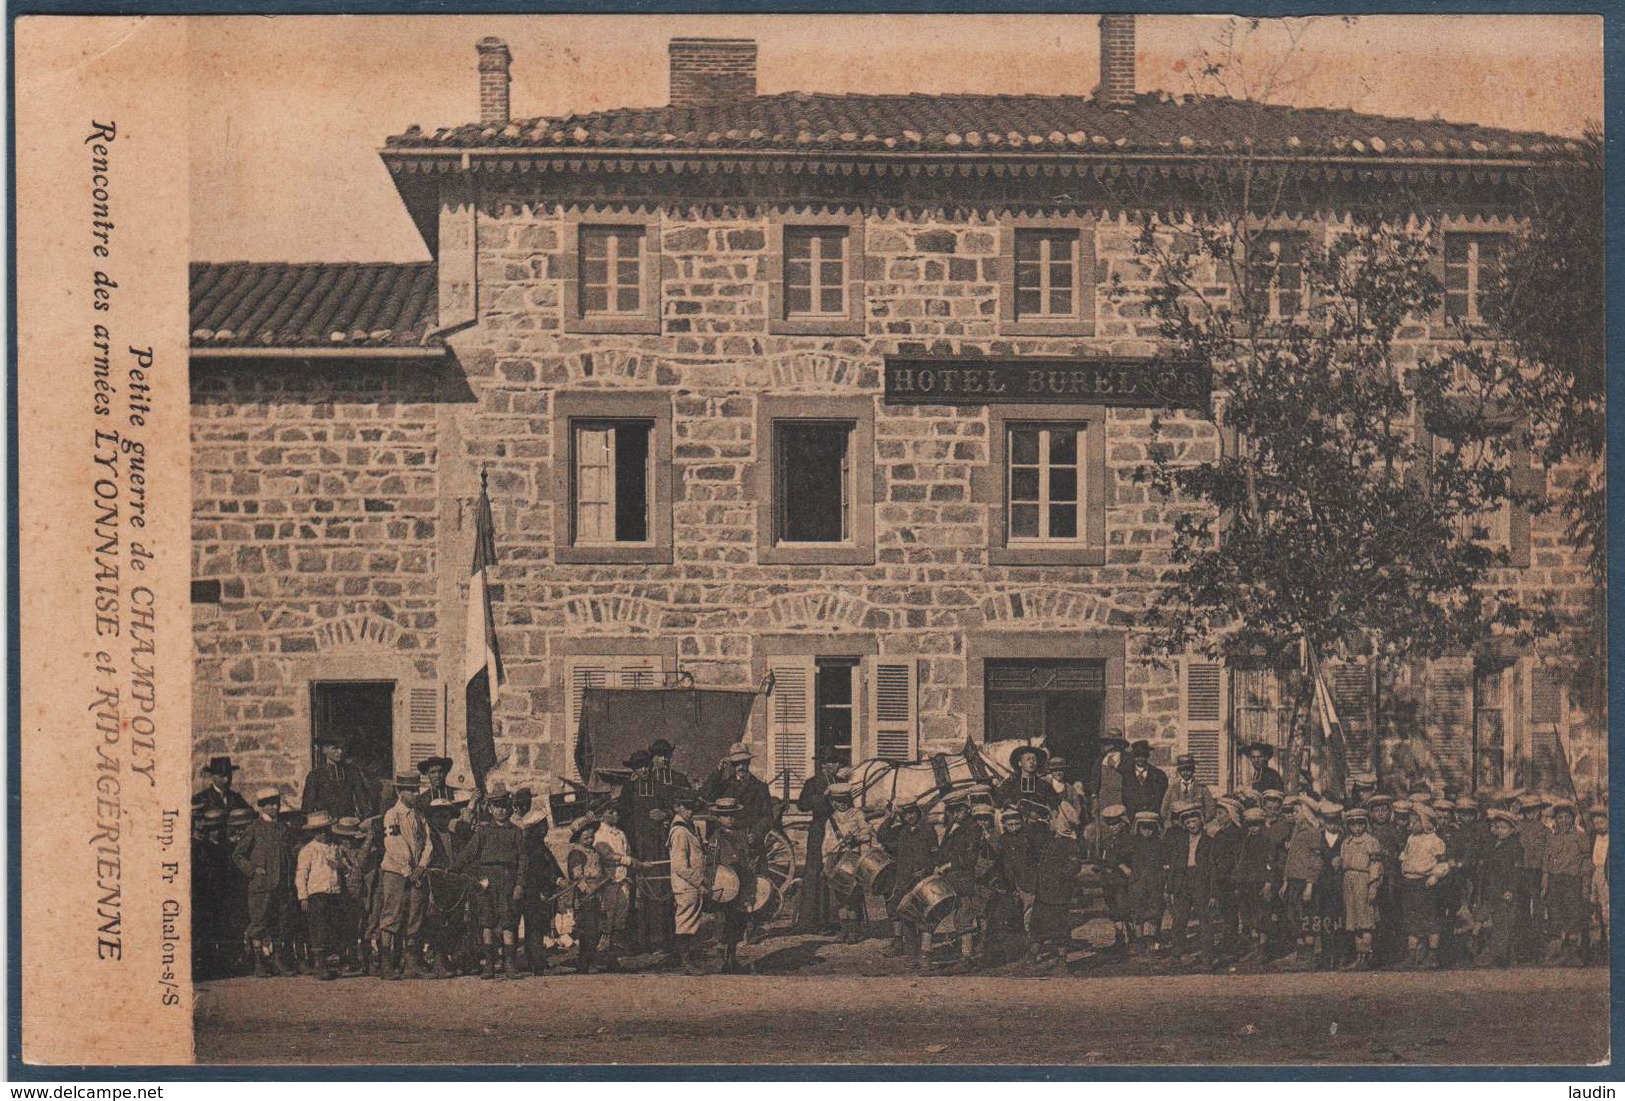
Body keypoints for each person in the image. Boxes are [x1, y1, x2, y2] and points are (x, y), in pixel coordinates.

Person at [453, 787, 527, 979]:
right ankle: (490, 965)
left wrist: (519, 884)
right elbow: (469, 853)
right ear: (490, 809)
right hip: (487, 879)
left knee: (508, 922)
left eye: (504, 806)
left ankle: (509, 963)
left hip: (508, 880)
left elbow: (522, 862)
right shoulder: (483, 832)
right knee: (487, 921)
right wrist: (453, 869)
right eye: (496, 806)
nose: (500, 810)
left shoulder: (517, 833)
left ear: (509, 808)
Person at [234, 787, 297, 977]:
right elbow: (238, 855)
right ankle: (259, 962)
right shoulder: (254, 828)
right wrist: (253, 870)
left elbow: (290, 854)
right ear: (261, 807)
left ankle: (277, 960)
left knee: (280, 923)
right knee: (259, 924)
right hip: (261, 886)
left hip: (282, 885)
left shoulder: (283, 828)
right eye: (268, 804)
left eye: (276, 803)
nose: (273, 808)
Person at [376, 775, 433, 980]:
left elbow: (428, 843)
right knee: (392, 915)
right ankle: (385, 963)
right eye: (412, 790)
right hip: (396, 872)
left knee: (415, 915)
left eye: (417, 790)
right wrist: (408, 870)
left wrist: (421, 866)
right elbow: (393, 845)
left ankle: (411, 962)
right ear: (401, 792)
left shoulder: (420, 816)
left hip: (416, 872)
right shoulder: (393, 815)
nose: (416, 794)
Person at [618, 749, 673, 955]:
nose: (643, 770)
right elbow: (621, 815)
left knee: (658, 891)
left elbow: (674, 808)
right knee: (634, 894)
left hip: (657, 847)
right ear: (634, 769)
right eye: (639, 767)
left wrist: (665, 813)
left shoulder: (660, 787)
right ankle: (638, 942)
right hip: (635, 847)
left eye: (646, 766)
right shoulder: (629, 789)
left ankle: (659, 942)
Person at [933, 792, 992, 972]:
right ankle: (966, 956)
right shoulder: (954, 827)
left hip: (965, 880)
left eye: (959, 810)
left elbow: (970, 858)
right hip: (955, 879)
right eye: (953, 811)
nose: (956, 814)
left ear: (967, 809)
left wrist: (948, 865)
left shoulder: (972, 829)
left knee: (964, 917)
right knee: (960, 917)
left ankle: (967, 959)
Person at [878, 800, 938, 966]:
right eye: (906, 814)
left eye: (912, 813)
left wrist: (926, 870)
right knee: (901, 910)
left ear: (918, 813)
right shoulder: (901, 831)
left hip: (920, 879)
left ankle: (922, 952)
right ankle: (907, 949)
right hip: (903, 878)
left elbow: (934, 854)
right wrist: (891, 818)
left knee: (919, 914)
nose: (910, 816)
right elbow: (881, 837)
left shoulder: (927, 830)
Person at [513, 788, 563, 975]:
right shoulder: (528, 843)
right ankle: (528, 961)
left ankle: (534, 960)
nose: (544, 830)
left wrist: (556, 879)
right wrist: (555, 879)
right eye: (541, 826)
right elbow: (541, 868)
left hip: (533, 889)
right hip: (524, 887)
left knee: (535, 925)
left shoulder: (539, 846)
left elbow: (548, 865)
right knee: (524, 925)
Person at [797, 748, 846, 933]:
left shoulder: (841, 782)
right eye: (831, 762)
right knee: (815, 872)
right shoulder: (813, 783)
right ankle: (812, 921)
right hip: (819, 830)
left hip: (838, 830)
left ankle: (836, 920)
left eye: (836, 762)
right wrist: (823, 795)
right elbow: (802, 805)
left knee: (836, 871)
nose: (835, 765)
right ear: (823, 765)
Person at [293, 812, 346, 980]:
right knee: (318, 928)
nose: (323, 834)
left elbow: (340, 867)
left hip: (333, 892)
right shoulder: (308, 850)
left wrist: (338, 865)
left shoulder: (334, 847)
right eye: (319, 831)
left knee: (332, 926)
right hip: (317, 894)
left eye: (326, 830)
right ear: (313, 833)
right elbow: (301, 874)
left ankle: (329, 963)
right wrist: (303, 896)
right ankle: (319, 964)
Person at [1029, 802, 1082, 964]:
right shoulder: (1050, 838)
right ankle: (1032, 956)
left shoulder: (1068, 843)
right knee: (1037, 924)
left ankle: (1062, 960)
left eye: (1052, 818)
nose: (1049, 821)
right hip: (1044, 891)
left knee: (1059, 927)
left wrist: (1057, 876)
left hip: (1058, 893)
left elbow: (1074, 866)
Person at [1399, 803, 1450, 968]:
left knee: (1429, 918)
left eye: (1416, 821)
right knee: (1411, 919)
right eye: (1410, 821)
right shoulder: (1411, 839)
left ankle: (1433, 955)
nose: (1411, 825)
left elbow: (1443, 864)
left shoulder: (1435, 841)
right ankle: (1412, 955)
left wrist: (1435, 875)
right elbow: (1404, 857)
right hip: (1410, 882)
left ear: (1427, 823)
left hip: (1425, 883)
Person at [710, 797, 758, 973]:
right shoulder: (716, 838)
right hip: (726, 885)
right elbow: (712, 864)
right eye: (725, 816)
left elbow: (747, 856)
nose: (730, 819)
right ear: (718, 818)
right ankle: (722, 960)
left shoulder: (742, 834)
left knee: (737, 922)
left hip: (742, 882)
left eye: (732, 815)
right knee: (724, 922)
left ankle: (732, 957)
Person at [824, 781, 875, 944]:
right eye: (837, 801)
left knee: (852, 896)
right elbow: (827, 842)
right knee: (839, 898)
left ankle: (854, 931)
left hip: (851, 858)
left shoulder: (857, 815)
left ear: (849, 800)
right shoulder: (830, 820)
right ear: (832, 802)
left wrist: (856, 840)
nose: (841, 804)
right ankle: (843, 930)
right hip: (835, 857)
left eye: (844, 800)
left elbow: (867, 835)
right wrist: (826, 862)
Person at [1280, 796, 1328, 969]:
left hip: (1305, 881)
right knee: (1294, 917)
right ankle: (1300, 952)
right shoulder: (1296, 830)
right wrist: (1286, 880)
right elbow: (1290, 858)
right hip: (1294, 880)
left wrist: (1310, 883)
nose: (1293, 815)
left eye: (1296, 811)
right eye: (1292, 811)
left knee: (1307, 917)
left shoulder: (1312, 832)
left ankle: (1309, 954)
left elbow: (1316, 860)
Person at [1476, 808, 1525, 968]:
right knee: (1497, 923)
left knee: (1504, 924)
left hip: (1505, 891)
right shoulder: (1494, 844)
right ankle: (1504, 957)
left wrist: (1511, 889)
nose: (1500, 830)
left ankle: (1501, 958)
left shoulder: (1515, 847)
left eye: (1504, 827)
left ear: (1512, 829)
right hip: (1493, 889)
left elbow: (1516, 872)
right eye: (1498, 827)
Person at [1542, 800, 1589, 965]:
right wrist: (1545, 883)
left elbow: (1586, 861)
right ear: (1555, 819)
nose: (1563, 820)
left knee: (1573, 915)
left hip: (1572, 881)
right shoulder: (1552, 838)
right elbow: (1547, 863)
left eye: (1567, 817)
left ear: (1572, 818)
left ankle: (1573, 954)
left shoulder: (1580, 836)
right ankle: (1557, 954)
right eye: (1560, 817)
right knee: (1555, 915)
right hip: (1555, 881)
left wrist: (1585, 885)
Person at [1338, 807, 1384, 970]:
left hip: (1363, 880)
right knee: (1354, 920)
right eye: (1353, 824)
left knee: (1365, 920)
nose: (1356, 828)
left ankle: (1367, 955)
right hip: (1349, 880)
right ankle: (1359, 956)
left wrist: (1373, 886)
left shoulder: (1370, 841)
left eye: (1360, 824)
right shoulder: (1346, 842)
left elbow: (1375, 864)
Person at [667, 793, 708, 974]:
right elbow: (679, 866)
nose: (691, 812)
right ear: (677, 808)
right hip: (686, 885)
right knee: (685, 923)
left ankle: (688, 961)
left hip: (691, 885)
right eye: (687, 808)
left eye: (693, 808)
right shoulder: (679, 832)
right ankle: (685, 963)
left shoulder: (688, 827)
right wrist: (699, 882)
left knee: (691, 923)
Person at [1232, 806, 1278, 962]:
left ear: (1262, 824)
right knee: (1250, 916)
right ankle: (1254, 948)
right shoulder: (1246, 840)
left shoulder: (1267, 840)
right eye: (1250, 825)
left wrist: (1268, 883)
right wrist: (1239, 883)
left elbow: (1271, 864)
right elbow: (1241, 862)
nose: (1253, 828)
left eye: (1256, 825)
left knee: (1263, 916)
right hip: (1247, 883)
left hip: (1261, 883)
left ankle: (1264, 950)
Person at [701, 742, 775, 839]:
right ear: (732, 765)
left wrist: (755, 834)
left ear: (749, 762)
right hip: (725, 838)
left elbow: (767, 817)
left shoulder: (759, 787)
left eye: (744, 762)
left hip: (748, 837)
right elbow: (707, 795)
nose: (741, 766)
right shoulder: (725, 785)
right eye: (737, 763)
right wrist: (718, 771)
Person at [564, 815, 609, 973]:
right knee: (587, 929)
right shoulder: (576, 853)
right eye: (586, 838)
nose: (589, 840)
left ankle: (590, 959)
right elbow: (577, 877)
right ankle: (584, 963)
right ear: (579, 838)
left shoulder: (595, 852)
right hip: (585, 896)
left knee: (597, 929)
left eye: (591, 837)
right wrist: (587, 891)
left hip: (598, 894)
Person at [593, 802, 639, 954]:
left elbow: (628, 851)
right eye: (610, 812)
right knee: (608, 913)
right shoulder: (599, 833)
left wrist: (629, 863)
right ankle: (601, 949)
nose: (614, 815)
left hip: (623, 877)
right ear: (601, 815)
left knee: (621, 913)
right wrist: (627, 860)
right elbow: (606, 855)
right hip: (608, 880)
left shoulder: (620, 833)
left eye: (615, 812)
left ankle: (613, 950)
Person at [301, 735, 379, 821]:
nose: (340, 751)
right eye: (334, 748)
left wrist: (365, 819)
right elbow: (307, 809)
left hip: (349, 825)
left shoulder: (352, 772)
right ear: (324, 750)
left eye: (342, 748)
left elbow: (362, 800)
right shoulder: (315, 776)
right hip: (325, 827)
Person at [1515, 794, 1550, 961]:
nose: (1532, 814)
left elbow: (1548, 855)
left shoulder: (1545, 831)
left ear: (1540, 811)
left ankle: (1537, 950)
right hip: (1521, 871)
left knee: (1537, 910)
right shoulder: (1517, 829)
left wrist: (1545, 875)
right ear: (1524, 812)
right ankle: (1522, 950)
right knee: (1521, 910)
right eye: (1528, 811)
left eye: (1535, 810)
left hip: (1536, 872)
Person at [1096, 803, 1133, 955]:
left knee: (1123, 908)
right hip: (1108, 880)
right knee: (1114, 909)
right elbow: (1102, 859)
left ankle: (1130, 938)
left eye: (1115, 823)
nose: (1112, 827)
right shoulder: (1106, 841)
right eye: (1109, 823)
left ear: (1123, 823)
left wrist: (1115, 862)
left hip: (1121, 881)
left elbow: (1123, 857)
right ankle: (1119, 938)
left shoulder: (1128, 840)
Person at [1126, 811, 1165, 954]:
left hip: (1155, 883)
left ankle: (1152, 939)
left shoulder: (1159, 844)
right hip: (1137, 883)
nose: (1146, 832)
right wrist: (1126, 870)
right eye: (1143, 828)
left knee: (1154, 911)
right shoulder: (1133, 844)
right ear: (1138, 828)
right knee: (1137, 911)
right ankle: (1139, 940)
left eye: (1150, 828)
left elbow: (1164, 862)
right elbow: (1121, 859)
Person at [1161, 754, 1215, 827]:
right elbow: (1164, 810)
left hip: (1196, 827)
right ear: (1179, 771)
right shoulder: (1172, 787)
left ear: (1193, 770)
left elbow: (1211, 810)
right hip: (1176, 827)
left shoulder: (1201, 788)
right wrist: (1171, 822)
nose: (1185, 772)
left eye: (1188, 769)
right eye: (1182, 770)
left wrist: (1200, 821)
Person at [1119, 741, 1169, 818]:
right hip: (1132, 815)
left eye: (1143, 756)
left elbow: (1161, 796)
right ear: (1133, 756)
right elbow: (1125, 796)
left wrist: (1151, 811)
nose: (1140, 759)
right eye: (1137, 756)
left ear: (1147, 756)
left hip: (1153, 814)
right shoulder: (1126, 774)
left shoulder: (1158, 774)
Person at [1092, 735, 1128, 833]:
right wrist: (1094, 795)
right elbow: (1095, 778)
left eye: (1108, 743)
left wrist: (1116, 765)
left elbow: (1129, 773)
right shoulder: (1101, 758)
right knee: (1104, 822)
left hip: (1119, 795)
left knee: (1120, 820)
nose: (1106, 746)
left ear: (1115, 744)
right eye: (1105, 743)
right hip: (1104, 795)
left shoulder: (1126, 757)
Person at [1588, 804, 1609, 962]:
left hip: (1607, 873)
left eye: (1601, 822)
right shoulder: (1593, 837)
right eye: (1596, 823)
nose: (1598, 826)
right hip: (1596, 872)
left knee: (1607, 909)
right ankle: (1601, 942)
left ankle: (1609, 944)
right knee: (1596, 907)